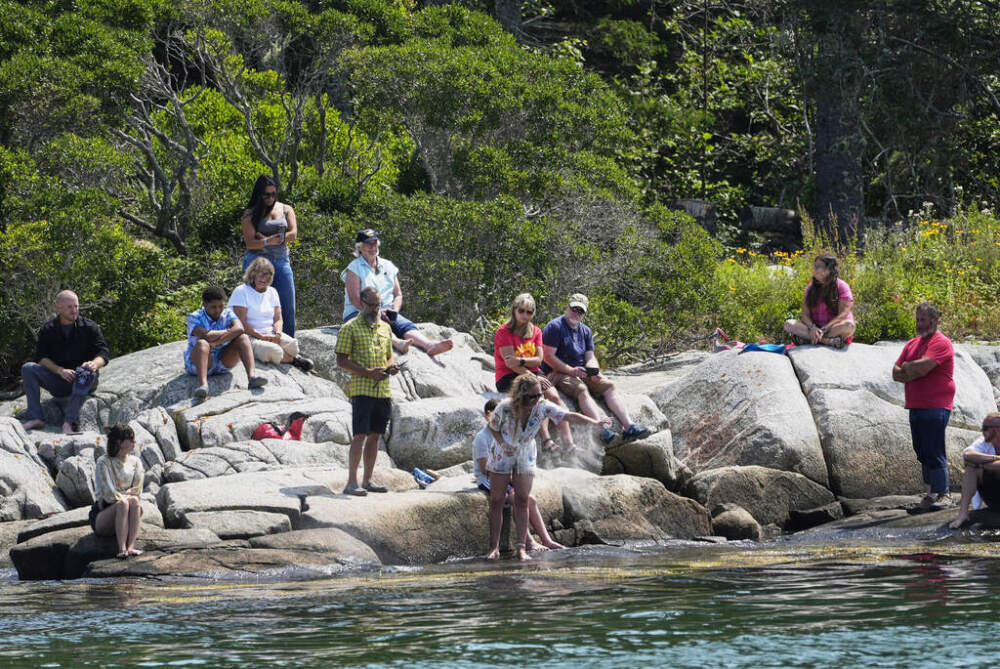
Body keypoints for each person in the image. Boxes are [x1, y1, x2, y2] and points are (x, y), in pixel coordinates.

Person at [486, 374, 612, 561]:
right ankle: (494, 547)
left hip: (525, 454)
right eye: (532, 396)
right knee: (496, 500)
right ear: (520, 395)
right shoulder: (505, 407)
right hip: (501, 454)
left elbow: (567, 415)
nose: (537, 399)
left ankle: (522, 548)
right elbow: (492, 427)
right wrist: (503, 443)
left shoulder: (542, 406)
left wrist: (594, 422)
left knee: (522, 500)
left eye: (539, 395)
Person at [541, 293, 650, 446]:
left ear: (584, 313)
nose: (576, 313)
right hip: (558, 372)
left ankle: (629, 426)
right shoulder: (555, 327)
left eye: (580, 311)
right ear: (567, 307)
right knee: (581, 389)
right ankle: (600, 429)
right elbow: (548, 357)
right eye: (574, 309)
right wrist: (571, 371)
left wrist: (594, 370)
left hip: (581, 370)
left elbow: (590, 357)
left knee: (609, 386)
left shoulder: (585, 331)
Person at [341, 228, 453, 356]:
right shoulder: (354, 268)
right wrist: (376, 311)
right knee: (374, 323)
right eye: (368, 244)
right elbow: (355, 299)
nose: (372, 247)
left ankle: (430, 345)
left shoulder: (388, 265)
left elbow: (398, 294)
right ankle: (397, 343)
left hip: (386, 310)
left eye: (374, 243)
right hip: (359, 312)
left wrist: (394, 310)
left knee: (404, 325)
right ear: (360, 248)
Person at [473, 398, 565, 552]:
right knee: (518, 500)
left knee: (531, 500)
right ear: (488, 416)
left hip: (505, 476)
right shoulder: (482, 438)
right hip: (488, 478)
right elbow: (485, 469)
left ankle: (547, 540)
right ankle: (528, 542)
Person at [335, 286, 401, 496]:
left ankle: (368, 480)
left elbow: (389, 355)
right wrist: (366, 372)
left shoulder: (385, 328)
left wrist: (392, 366)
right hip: (362, 389)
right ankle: (351, 482)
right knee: (360, 435)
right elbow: (341, 360)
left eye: (378, 305)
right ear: (362, 303)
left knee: (375, 435)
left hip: (383, 390)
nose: (374, 309)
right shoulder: (350, 328)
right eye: (371, 305)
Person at [493, 293, 576, 452]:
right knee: (538, 395)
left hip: (533, 371)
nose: (524, 315)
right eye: (521, 310)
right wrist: (531, 376)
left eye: (529, 312)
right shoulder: (503, 332)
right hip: (508, 375)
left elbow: (539, 360)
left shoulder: (536, 331)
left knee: (554, 395)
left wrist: (522, 361)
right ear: (514, 310)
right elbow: (510, 364)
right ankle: (546, 440)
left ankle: (569, 443)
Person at [892, 302, 955, 509]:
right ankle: (931, 494)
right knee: (921, 451)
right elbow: (895, 372)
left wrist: (909, 369)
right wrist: (910, 369)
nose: (919, 324)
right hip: (916, 406)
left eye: (923, 320)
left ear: (935, 319)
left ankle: (943, 494)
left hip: (936, 406)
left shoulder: (941, 343)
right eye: (917, 319)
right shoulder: (912, 344)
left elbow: (923, 368)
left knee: (934, 449)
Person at [20, 290, 109, 434]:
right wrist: (59, 370)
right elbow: (41, 357)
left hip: (84, 380)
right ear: (59, 307)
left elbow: (103, 353)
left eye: (76, 306)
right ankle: (36, 418)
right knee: (28, 368)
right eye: (69, 307)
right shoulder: (48, 329)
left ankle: (68, 423)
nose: (74, 310)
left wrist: (94, 364)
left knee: (85, 372)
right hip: (59, 381)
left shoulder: (89, 327)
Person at [230, 257, 313, 372]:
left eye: (268, 275)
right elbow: (241, 322)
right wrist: (261, 336)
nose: (264, 278)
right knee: (275, 351)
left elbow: (278, 318)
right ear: (253, 274)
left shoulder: (272, 292)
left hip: (270, 333)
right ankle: (294, 360)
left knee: (293, 346)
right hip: (248, 335)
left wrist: (278, 333)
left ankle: (287, 355)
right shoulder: (241, 291)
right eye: (261, 274)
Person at [185, 286, 268, 399]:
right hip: (202, 362)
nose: (218, 310)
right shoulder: (194, 317)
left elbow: (239, 329)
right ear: (204, 304)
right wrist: (229, 331)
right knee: (202, 343)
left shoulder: (228, 313)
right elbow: (207, 336)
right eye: (213, 307)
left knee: (243, 338)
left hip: (223, 362)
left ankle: (252, 377)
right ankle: (203, 385)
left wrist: (217, 343)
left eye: (220, 306)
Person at [241, 175, 298, 336]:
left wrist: (271, 240)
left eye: (274, 194)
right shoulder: (250, 214)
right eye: (267, 194)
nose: (271, 198)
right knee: (257, 306)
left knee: (287, 305)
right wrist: (268, 242)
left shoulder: (286, 209)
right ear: (259, 194)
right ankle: (258, 342)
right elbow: (251, 243)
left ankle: (288, 345)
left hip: (281, 261)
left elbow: (293, 234)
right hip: (257, 263)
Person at [91, 424, 144, 559]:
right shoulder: (103, 462)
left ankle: (131, 547)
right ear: (120, 442)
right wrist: (127, 495)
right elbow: (109, 494)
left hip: (127, 509)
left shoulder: (136, 462)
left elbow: (137, 490)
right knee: (123, 504)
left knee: (134, 501)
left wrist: (130, 496)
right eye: (131, 439)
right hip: (104, 515)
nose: (134, 442)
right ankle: (121, 549)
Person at [784, 254, 856, 348]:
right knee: (789, 324)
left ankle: (810, 338)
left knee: (849, 325)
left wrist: (825, 329)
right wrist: (812, 327)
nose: (814, 269)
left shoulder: (842, 286)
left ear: (829, 269)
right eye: (814, 266)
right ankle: (826, 341)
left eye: (818, 266)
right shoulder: (810, 288)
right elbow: (804, 315)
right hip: (814, 328)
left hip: (832, 328)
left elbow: (843, 314)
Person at [950, 413, 1000, 529]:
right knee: (971, 467)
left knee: (975, 464)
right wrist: (995, 458)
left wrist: (983, 463)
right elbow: (968, 455)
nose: (983, 431)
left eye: (986, 428)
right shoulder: (984, 442)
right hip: (994, 497)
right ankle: (963, 514)